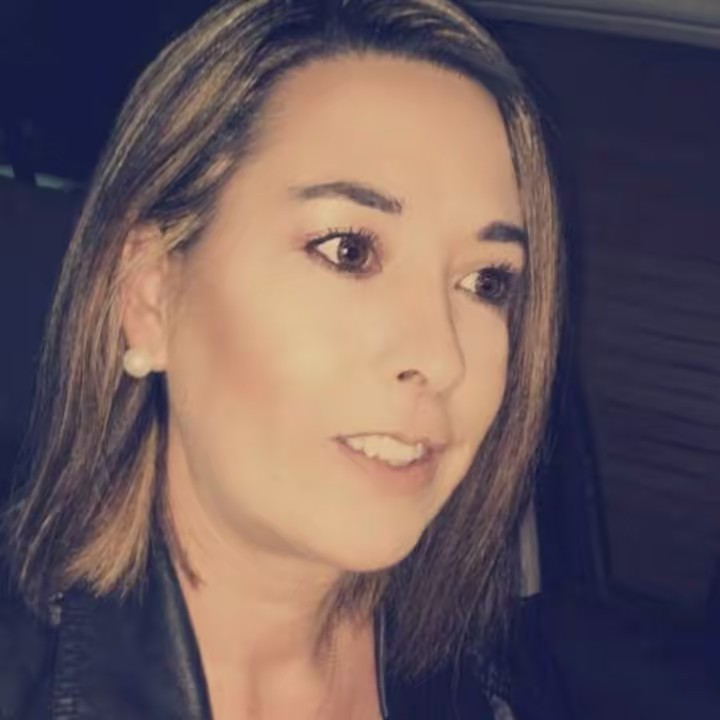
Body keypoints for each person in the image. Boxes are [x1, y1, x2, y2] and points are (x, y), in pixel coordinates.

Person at [0, 0, 565, 718]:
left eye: (486, 283)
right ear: (149, 295)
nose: (441, 355)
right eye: (349, 250)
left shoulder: (490, 674)